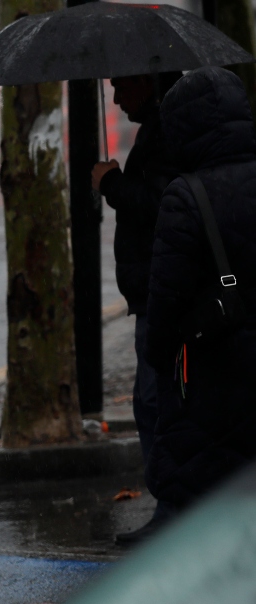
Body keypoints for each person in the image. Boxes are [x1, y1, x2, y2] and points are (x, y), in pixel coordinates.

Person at [144, 66, 256, 514]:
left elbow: (164, 311)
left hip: (214, 383)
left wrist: (163, 364)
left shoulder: (185, 197)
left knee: (209, 504)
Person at [89, 71, 182, 545]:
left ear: (148, 80)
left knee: (155, 401)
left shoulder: (167, 128)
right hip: (155, 289)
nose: (114, 94)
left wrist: (112, 184)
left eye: (122, 84)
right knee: (156, 399)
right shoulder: (159, 124)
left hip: (163, 291)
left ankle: (172, 509)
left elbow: (163, 203)